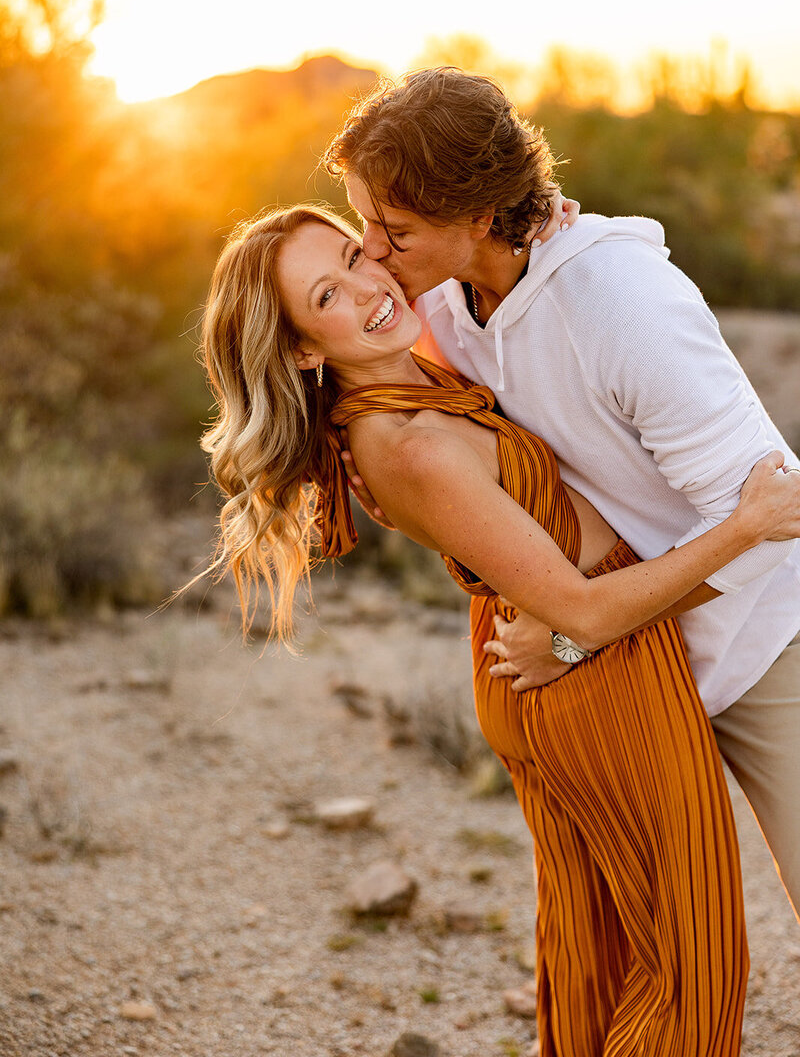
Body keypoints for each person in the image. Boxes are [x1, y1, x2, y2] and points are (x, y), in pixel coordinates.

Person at [200, 204, 800, 1056]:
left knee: (608, 949)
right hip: (585, 663)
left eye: (354, 252)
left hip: (562, 647)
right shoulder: (404, 441)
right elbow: (583, 613)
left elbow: (504, 302)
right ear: (303, 348)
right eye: (329, 294)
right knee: (689, 965)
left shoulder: (407, 366)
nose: (371, 283)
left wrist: (526, 225)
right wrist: (747, 526)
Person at [324, 67, 800, 924]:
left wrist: (576, 639)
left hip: (765, 640)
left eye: (391, 229)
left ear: (478, 216)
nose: (368, 250)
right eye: (364, 219)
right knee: (636, 934)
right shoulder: (444, 295)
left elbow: (771, 522)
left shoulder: (624, 308)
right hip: (631, 660)